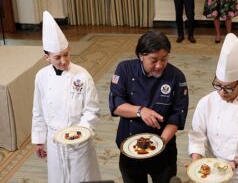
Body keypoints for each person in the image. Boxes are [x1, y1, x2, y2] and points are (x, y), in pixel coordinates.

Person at [109, 31, 189, 183]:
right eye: (153, 60)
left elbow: (177, 114)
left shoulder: (176, 77)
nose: (159, 65)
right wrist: (140, 111)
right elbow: (116, 104)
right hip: (130, 147)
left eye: (164, 59)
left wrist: (160, 143)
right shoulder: (124, 69)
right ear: (141, 56)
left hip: (163, 149)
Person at [31, 11, 101, 183]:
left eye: (66, 54)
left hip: (80, 140)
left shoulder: (82, 75)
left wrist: (80, 133)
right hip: (54, 141)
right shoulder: (41, 76)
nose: (63, 61)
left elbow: (92, 110)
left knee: (82, 178)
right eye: (57, 57)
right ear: (46, 57)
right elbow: (38, 110)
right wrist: (39, 139)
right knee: (59, 178)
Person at [188, 33, 238, 183]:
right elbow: (197, 137)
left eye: (228, 88)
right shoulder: (206, 103)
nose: (222, 92)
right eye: (218, 85)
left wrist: (235, 162)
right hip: (212, 166)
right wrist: (196, 164)